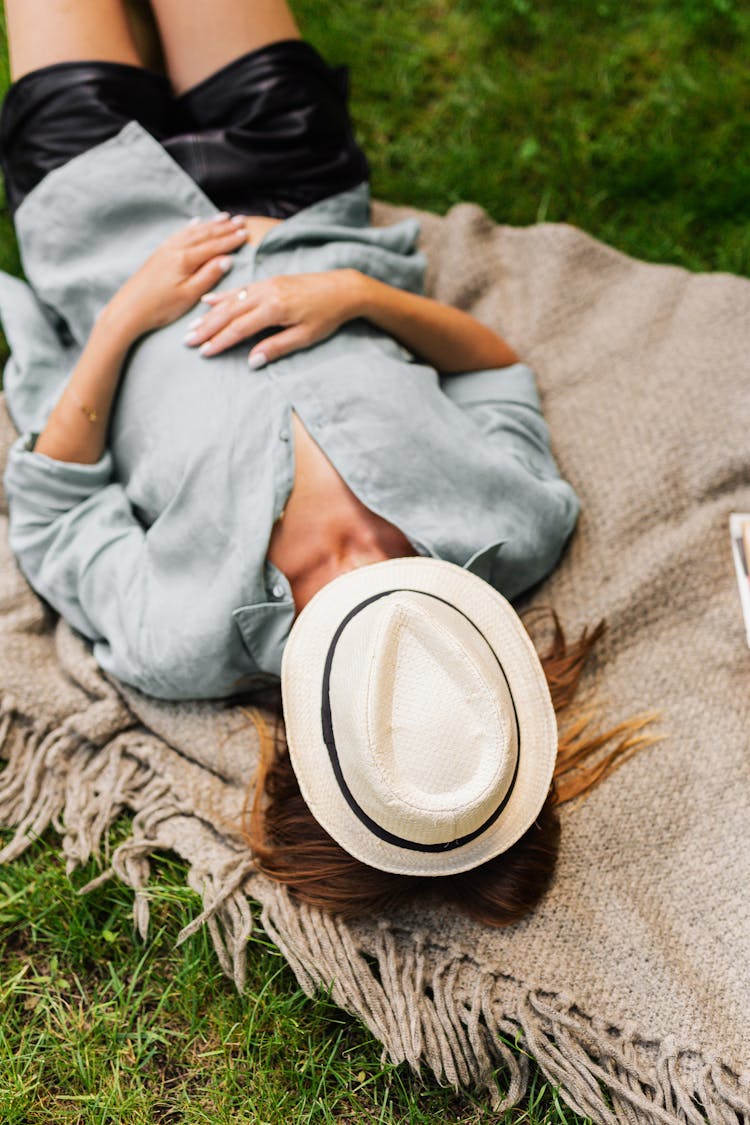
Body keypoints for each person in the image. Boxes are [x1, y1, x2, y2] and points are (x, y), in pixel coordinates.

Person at [0, 1, 654, 926]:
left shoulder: (183, 639)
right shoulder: (513, 525)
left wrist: (120, 322)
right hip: (295, 182)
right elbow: (496, 368)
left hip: (99, 228)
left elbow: (56, 507)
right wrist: (359, 295)